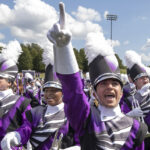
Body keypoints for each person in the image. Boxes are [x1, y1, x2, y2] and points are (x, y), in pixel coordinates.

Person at [46, 2, 147, 150]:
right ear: (94, 92)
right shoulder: (87, 119)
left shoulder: (137, 128)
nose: (110, 87)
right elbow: (74, 92)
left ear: (121, 91)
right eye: (103, 84)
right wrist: (63, 48)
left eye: (114, 83)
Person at [1, 60, 80, 150]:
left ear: (63, 92)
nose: (49, 93)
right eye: (46, 90)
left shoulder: (73, 114)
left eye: (54, 90)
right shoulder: (35, 112)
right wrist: (16, 135)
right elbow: (25, 129)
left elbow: (81, 141)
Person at [0, 41, 32, 150]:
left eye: (0, 78)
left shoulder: (23, 102)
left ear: (9, 82)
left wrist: (16, 136)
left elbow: (28, 126)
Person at [122, 50, 150, 149]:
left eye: (146, 77)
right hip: (141, 140)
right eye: (141, 78)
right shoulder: (129, 100)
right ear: (134, 82)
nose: (145, 80)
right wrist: (130, 115)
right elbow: (120, 121)